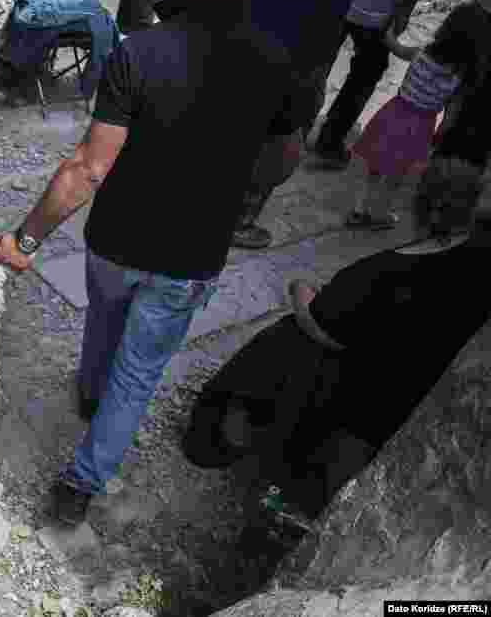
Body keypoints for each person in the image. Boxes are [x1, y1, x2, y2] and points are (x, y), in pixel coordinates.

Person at [0, 0, 312, 526]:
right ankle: (79, 486)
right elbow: (285, 155)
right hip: (191, 253)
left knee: (103, 323)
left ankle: (91, 395)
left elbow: (88, 168)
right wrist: (240, 194)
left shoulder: (137, 51)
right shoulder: (275, 61)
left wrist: (26, 238)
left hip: (116, 239)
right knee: (138, 374)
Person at [183, 156, 490, 531]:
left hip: (355, 387)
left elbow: (324, 330)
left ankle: (237, 435)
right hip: (419, 382)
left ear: (418, 203)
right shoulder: (480, 257)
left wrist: (300, 292)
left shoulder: (380, 273)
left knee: (284, 340)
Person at [231, 0, 391, 249]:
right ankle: (239, 219)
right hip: (303, 37)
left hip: (252, 13)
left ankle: (212, 202)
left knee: (239, 114)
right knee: (281, 132)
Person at [347, 1, 491, 229]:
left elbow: (396, 47)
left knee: (375, 163)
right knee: (397, 173)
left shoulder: (421, 52)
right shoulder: (461, 78)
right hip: (420, 126)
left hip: (393, 113)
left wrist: (389, 30)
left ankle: (359, 210)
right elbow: (450, 118)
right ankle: (380, 215)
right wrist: (437, 139)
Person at [311, 0, 444, 170]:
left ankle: (296, 126)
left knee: (319, 57)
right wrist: (403, 11)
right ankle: (329, 141)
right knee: (365, 74)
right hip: (379, 6)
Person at [434, 0, 491, 171]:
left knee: (460, 96)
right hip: (481, 14)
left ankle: (443, 150)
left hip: (480, 13)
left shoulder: (465, 15)